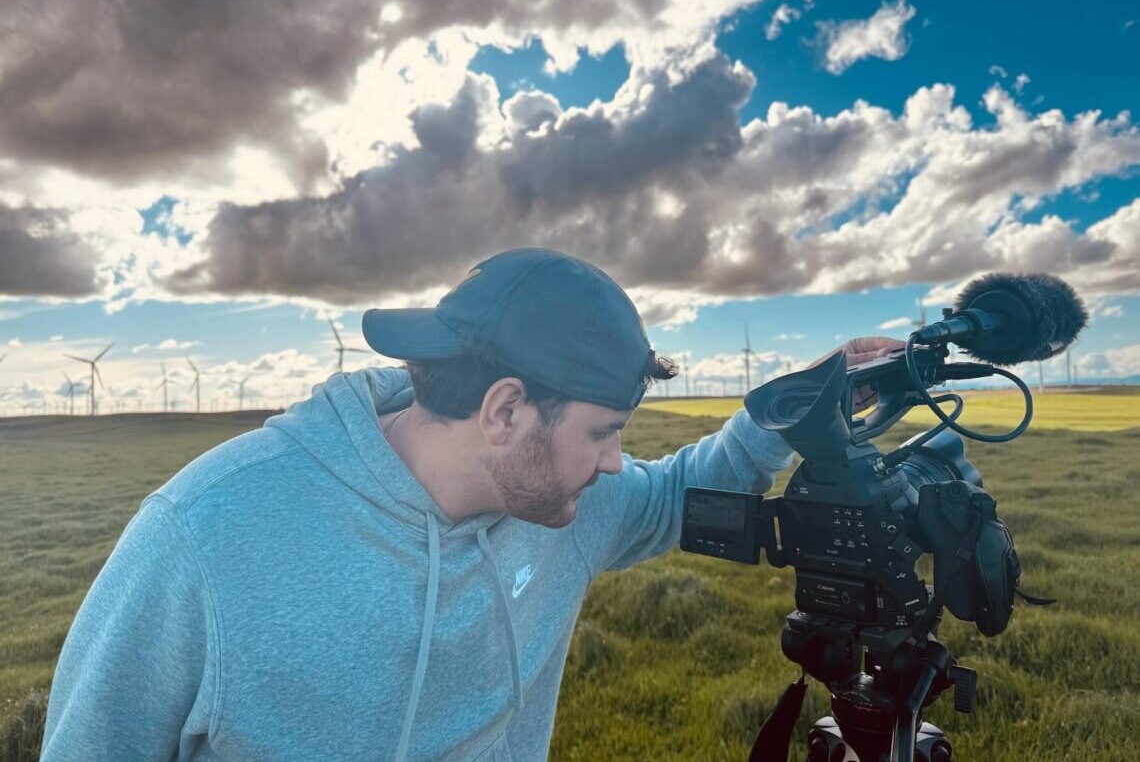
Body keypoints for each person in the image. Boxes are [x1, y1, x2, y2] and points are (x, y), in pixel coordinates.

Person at [41, 247, 901, 761]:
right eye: (603, 433)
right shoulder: (201, 537)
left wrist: (796, 405)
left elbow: (678, 493)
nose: (614, 466)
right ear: (504, 410)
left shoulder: (561, 502)